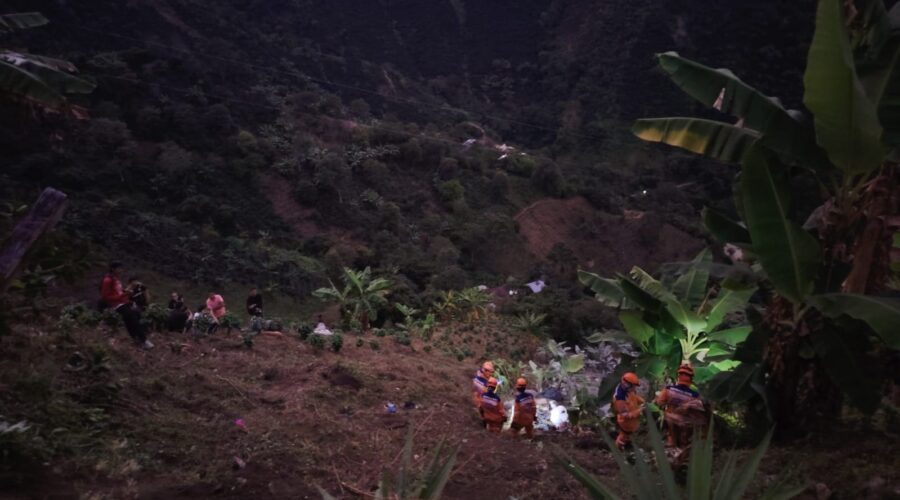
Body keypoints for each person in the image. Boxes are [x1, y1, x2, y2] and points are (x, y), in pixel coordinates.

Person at [656, 364, 707, 461]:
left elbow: (659, 403)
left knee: (670, 442)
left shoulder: (668, 390)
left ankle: (667, 463)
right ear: (691, 379)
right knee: (683, 446)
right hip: (686, 425)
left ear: (678, 376)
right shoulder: (695, 395)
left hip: (670, 421)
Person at [100, 262, 152, 349]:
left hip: (122, 302)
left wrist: (126, 292)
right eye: (119, 268)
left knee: (133, 317)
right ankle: (143, 340)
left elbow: (119, 291)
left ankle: (136, 338)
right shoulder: (107, 280)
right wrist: (123, 295)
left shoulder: (116, 279)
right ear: (113, 269)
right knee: (132, 317)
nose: (121, 270)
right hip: (115, 305)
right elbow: (105, 296)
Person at [612, 372, 644, 450]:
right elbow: (625, 415)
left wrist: (642, 401)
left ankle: (626, 444)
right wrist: (639, 411)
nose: (634, 389)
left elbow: (634, 396)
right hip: (626, 423)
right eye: (633, 386)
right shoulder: (620, 398)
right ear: (627, 385)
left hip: (632, 420)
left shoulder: (627, 390)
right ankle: (617, 449)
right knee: (624, 435)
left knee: (628, 435)